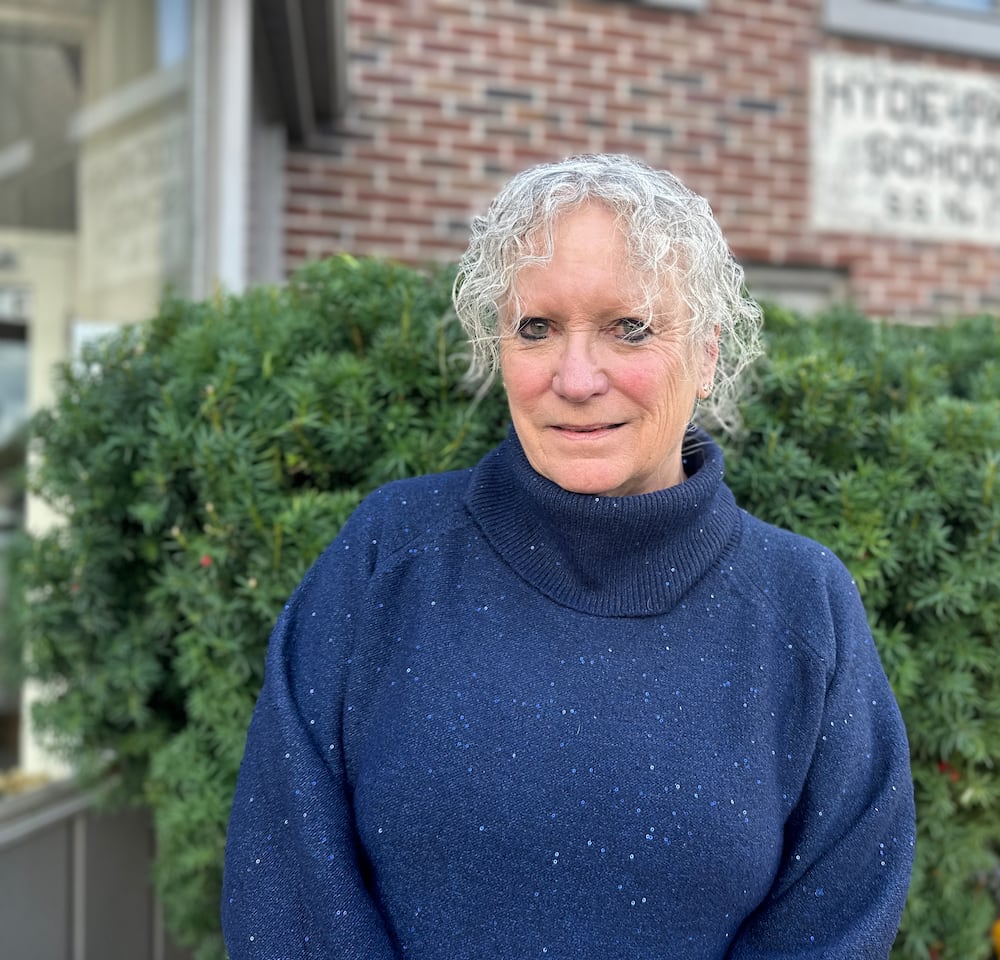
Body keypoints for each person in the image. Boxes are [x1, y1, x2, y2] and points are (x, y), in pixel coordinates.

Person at [221, 154, 914, 959]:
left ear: (708, 354)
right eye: (536, 327)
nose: (576, 378)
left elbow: (838, 915)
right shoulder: (387, 556)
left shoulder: (803, 604)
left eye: (630, 328)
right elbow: (288, 881)